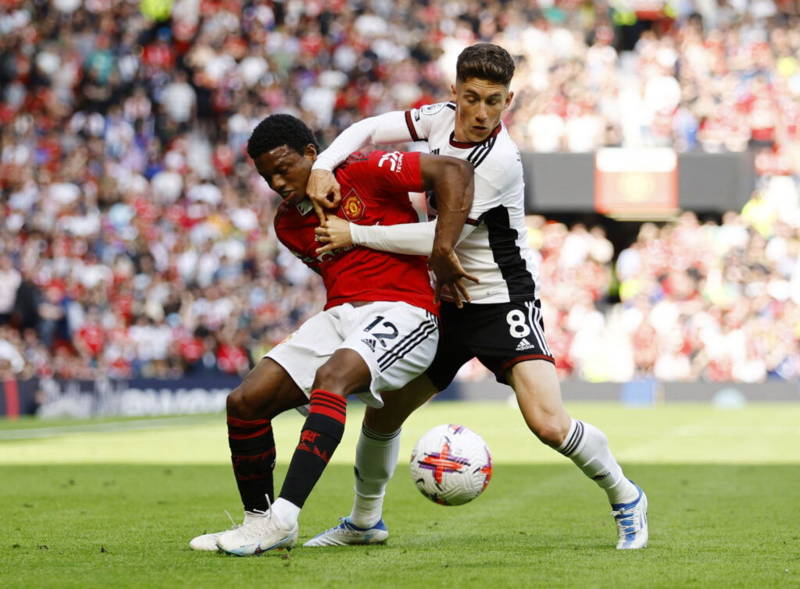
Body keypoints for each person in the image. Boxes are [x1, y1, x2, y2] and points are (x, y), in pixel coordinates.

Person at [304, 43, 648, 550]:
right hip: (445, 299)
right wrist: (324, 164)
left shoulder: (496, 162)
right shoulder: (438, 119)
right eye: (471, 98)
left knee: (549, 424)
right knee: (384, 414)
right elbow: (370, 129)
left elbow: (440, 240)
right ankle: (364, 522)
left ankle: (627, 497)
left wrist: (354, 234)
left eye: (493, 101)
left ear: (509, 100)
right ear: (454, 93)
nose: (482, 113)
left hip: (501, 298)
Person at [188, 114, 475, 555]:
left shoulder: (364, 170)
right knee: (245, 402)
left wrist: (442, 249)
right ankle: (257, 521)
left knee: (332, 378)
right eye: (267, 176)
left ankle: (284, 519)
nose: (277, 182)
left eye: (284, 168)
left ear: (311, 154)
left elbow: (455, 170)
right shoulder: (287, 224)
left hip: (406, 310)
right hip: (340, 316)